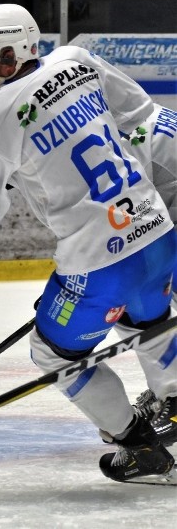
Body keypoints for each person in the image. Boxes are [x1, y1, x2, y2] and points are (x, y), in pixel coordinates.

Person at [0, 3, 176, 483]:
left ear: (7, 55)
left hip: (96, 266)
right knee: (148, 319)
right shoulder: (76, 60)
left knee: (53, 354)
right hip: (156, 234)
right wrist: (43, 166)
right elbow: (136, 116)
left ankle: (141, 450)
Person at [120, 103, 177, 447]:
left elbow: (128, 230)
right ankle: (167, 390)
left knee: (141, 294)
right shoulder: (143, 114)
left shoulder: (120, 142)